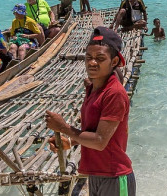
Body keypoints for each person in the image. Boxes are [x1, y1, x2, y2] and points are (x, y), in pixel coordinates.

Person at [45, 27, 135, 196]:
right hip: (95, 174)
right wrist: (70, 142)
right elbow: (93, 131)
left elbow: (100, 141)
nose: (92, 63)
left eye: (100, 58)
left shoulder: (114, 93)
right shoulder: (93, 89)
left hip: (114, 176)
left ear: (114, 62)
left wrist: (64, 128)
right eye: (89, 58)